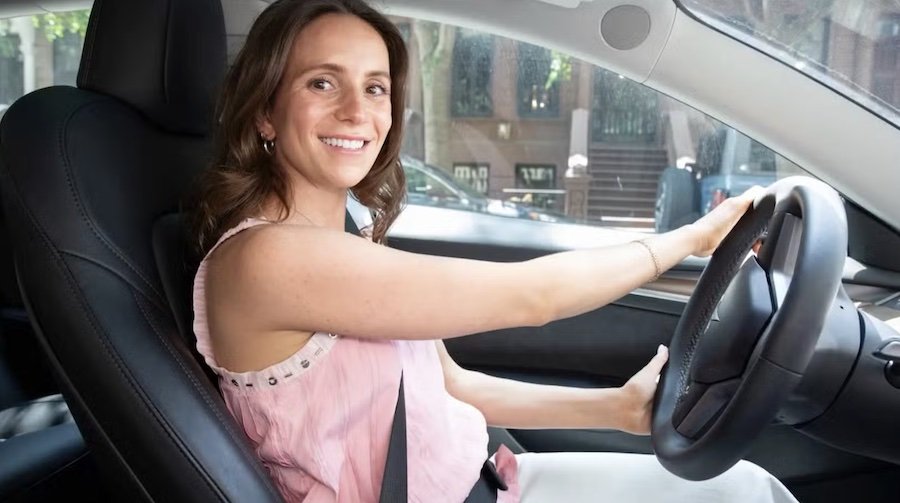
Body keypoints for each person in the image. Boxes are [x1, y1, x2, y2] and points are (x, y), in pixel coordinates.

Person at [191, 1, 798, 501]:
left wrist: (614, 410)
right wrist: (692, 240)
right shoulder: (267, 260)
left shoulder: (349, 233)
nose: (357, 111)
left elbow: (447, 385)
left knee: (745, 489)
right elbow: (532, 297)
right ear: (266, 112)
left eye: (375, 88)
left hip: (485, 481)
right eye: (322, 82)